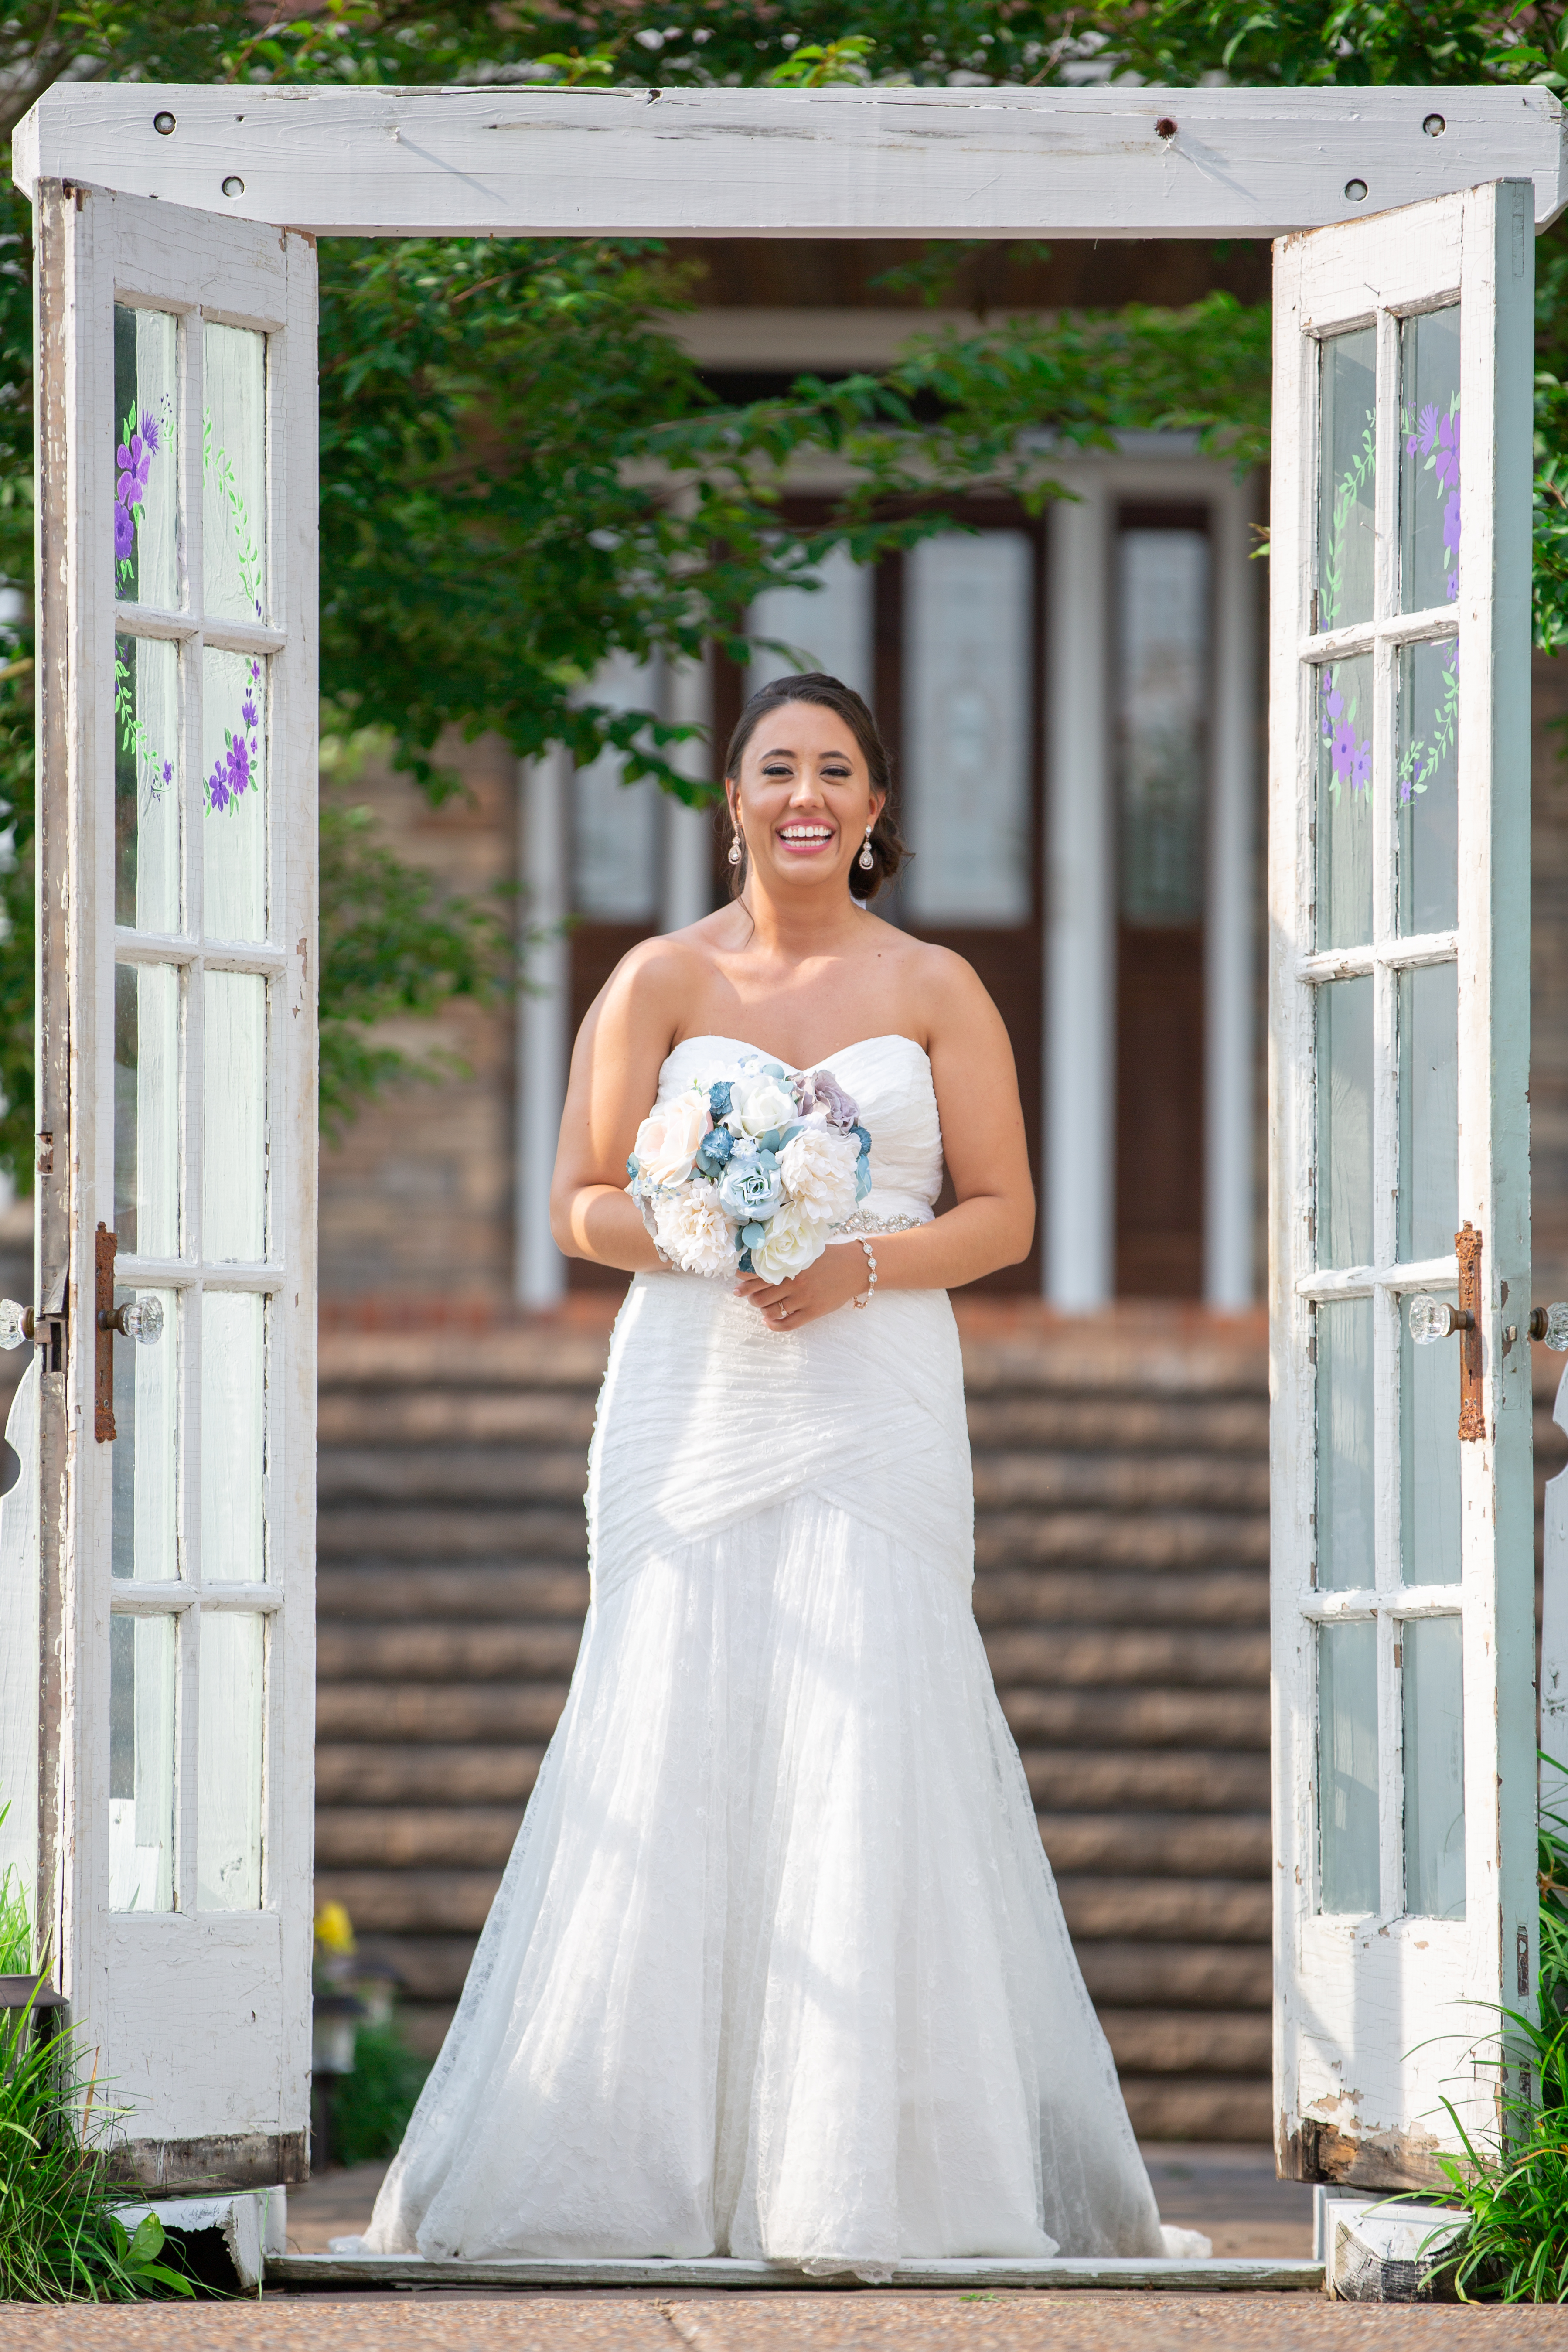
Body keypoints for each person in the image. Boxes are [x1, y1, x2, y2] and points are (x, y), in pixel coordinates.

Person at [357, 673, 1203, 2275]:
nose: (803, 794)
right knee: (669, 1701)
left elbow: (1004, 1215)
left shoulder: (940, 985)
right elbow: (576, 1202)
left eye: (834, 770)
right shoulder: (657, 980)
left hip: (871, 1379)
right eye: (773, 768)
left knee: (870, 1712)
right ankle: (631, 2167)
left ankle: (860, 2176)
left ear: (877, 806)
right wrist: (699, 1225)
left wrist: (855, 1262)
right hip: (693, 1380)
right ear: (729, 798)